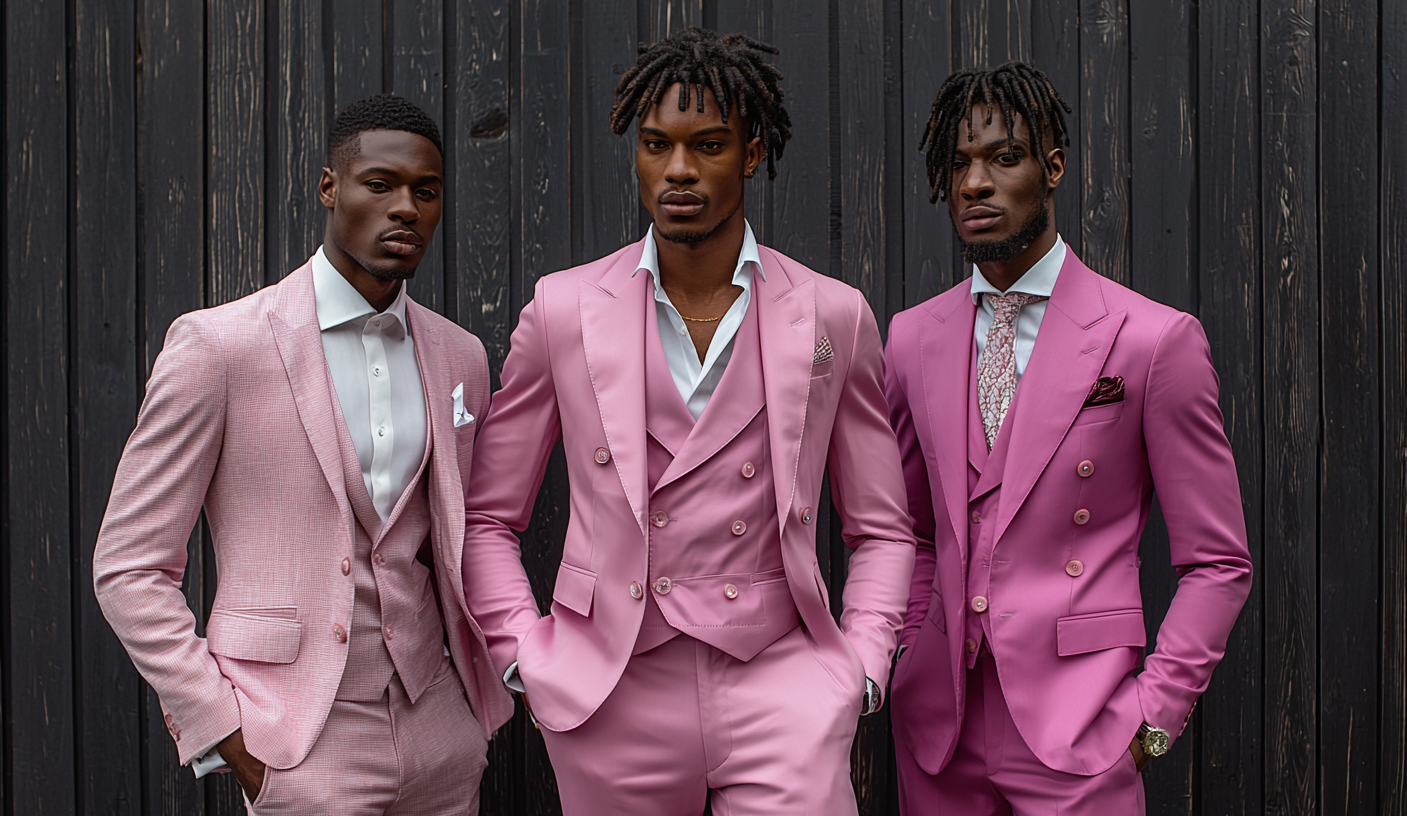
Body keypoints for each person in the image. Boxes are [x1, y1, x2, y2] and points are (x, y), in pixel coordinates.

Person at [460, 27, 914, 815]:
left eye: (707, 144)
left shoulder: (834, 315)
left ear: (752, 150)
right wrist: (522, 655)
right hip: (612, 687)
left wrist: (861, 667)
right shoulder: (563, 310)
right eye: (655, 144)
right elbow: (488, 516)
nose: (677, 169)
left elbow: (881, 528)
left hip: (783, 679)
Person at [93, 94, 510, 815]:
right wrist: (228, 735)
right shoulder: (220, 346)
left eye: (426, 191)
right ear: (330, 188)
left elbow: (450, 541)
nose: (405, 207)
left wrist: (469, 719)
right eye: (380, 184)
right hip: (299, 740)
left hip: (439, 734)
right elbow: (129, 566)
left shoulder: (461, 356)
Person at [883, 63, 1253, 815]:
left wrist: (1154, 714)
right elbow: (909, 532)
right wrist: (903, 652)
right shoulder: (911, 338)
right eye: (958, 165)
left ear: (1052, 168)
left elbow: (1218, 561)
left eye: (1003, 158)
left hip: (1080, 726)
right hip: (937, 723)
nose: (974, 183)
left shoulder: (1152, 340)